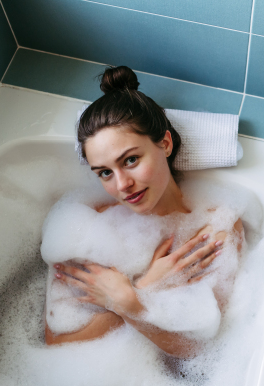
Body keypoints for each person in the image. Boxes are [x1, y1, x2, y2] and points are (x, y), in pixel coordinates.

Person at [44, 66, 243, 358]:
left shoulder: (214, 229)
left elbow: (201, 352)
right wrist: (143, 288)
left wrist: (132, 303)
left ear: (164, 144)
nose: (122, 184)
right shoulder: (83, 226)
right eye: (104, 172)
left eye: (131, 160)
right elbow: (56, 344)